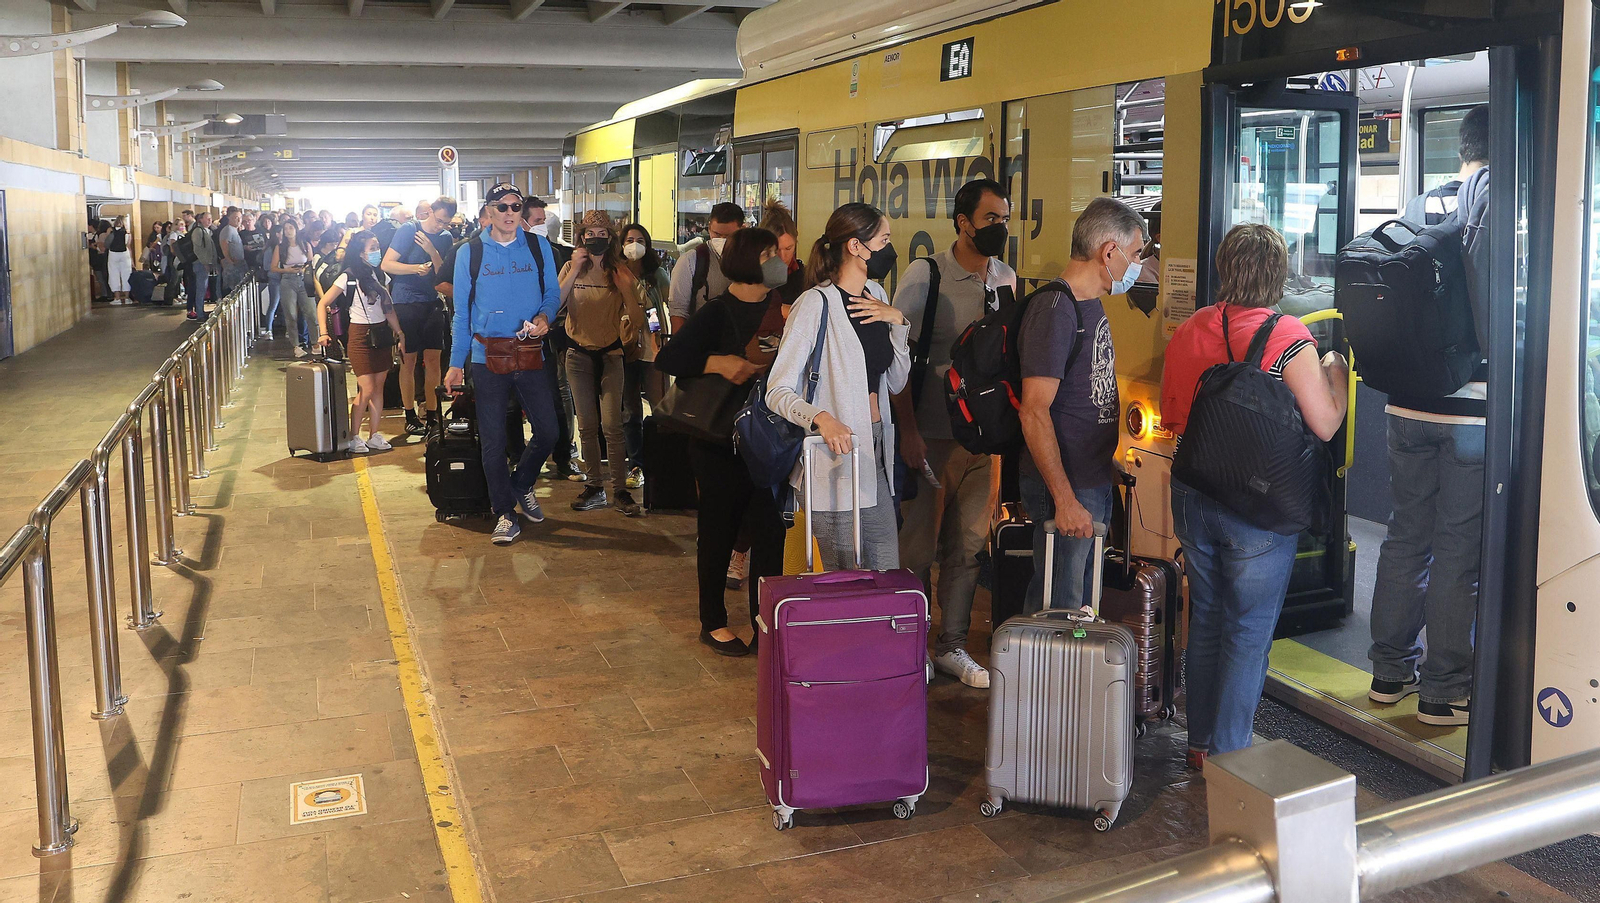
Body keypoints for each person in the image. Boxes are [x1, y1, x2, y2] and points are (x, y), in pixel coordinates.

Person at [1161, 224, 1347, 764]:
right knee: (1248, 631)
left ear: (1225, 267)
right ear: (1279, 275)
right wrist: (1333, 370)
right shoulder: (1289, 336)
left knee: (1209, 619)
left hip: (1193, 493)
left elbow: (1175, 416)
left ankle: (1198, 745)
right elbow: (1326, 423)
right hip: (1257, 507)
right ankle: (1230, 758)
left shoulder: (1192, 326)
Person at [1367, 105, 1490, 727]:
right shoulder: (1498, 204)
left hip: (1405, 405)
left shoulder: (1420, 205)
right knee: (1456, 549)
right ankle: (1444, 690)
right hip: (1470, 411)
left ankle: (1389, 673)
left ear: (1461, 146)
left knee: (1405, 537)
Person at [891, 178, 1018, 688]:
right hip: (931, 436)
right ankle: (911, 646)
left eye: (1004, 218)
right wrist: (908, 432)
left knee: (967, 549)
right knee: (917, 549)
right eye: (991, 219)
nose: (1000, 228)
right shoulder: (926, 277)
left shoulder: (1006, 279)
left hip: (982, 443)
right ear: (963, 223)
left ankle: (953, 647)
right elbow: (900, 362)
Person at [656, 228, 790, 656]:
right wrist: (718, 362)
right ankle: (712, 621)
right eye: (772, 253)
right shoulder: (717, 311)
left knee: (770, 533)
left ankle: (763, 622)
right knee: (718, 530)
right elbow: (669, 357)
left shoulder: (786, 308)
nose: (781, 261)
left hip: (769, 439)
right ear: (752, 260)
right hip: (719, 441)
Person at [1017, 197, 1147, 613]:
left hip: (1090, 479)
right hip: (1069, 488)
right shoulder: (1056, 309)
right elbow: (1033, 411)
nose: (1137, 266)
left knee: (1081, 604)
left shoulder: (1089, 304)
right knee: (1061, 605)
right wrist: (1065, 499)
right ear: (1109, 252)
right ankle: (1042, 679)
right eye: (1136, 254)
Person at [767, 202, 911, 570]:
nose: (889, 249)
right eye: (884, 239)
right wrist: (821, 419)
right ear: (855, 246)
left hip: (875, 452)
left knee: (884, 571)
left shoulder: (877, 295)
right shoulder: (815, 305)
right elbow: (778, 390)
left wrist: (898, 324)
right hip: (833, 462)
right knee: (844, 579)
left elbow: (894, 381)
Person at [443, 183, 563, 546]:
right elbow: (461, 312)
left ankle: (522, 482)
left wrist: (545, 316)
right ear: (489, 212)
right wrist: (455, 364)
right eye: (503, 207)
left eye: (516, 206)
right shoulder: (471, 253)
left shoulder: (538, 246)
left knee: (549, 431)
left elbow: (552, 293)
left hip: (530, 354)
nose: (510, 213)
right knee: (493, 442)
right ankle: (504, 513)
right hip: (486, 357)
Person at [558, 210, 646, 517]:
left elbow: (637, 322)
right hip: (578, 354)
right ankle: (595, 486)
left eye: (602, 234)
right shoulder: (571, 267)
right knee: (587, 425)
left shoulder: (620, 271)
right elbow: (554, 303)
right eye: (589, 234)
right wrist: (575, 268)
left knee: (612, 424)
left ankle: (620, 490)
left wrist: (626, 290)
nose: (595, 239)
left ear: (610, 239)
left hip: (611, 354)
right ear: (581, 237)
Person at [317, 230, 405, 454]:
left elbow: (388, 309)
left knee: (378, 388)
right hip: (359, 335)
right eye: (372, 248)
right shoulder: (348, 276)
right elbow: (323, 303)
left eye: (377, 246)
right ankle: (354, 435)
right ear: (360, 252)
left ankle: (374, 434)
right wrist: (323, 332)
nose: (377, 251)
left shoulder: (379, 276)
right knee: (365, 388)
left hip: (382, 334)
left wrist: (399, 333)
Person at [383, 195, 455, 436]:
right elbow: (387, 264)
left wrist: (432, 250)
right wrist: (415, 268)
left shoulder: (444, 238)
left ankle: (433, 414)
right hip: (406, 301)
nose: (441, 226)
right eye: (439, 220)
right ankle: (410, 414)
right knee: (409, 359)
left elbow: (443, 273)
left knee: (434, 358)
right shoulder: (409, 230)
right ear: (430, 212)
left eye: (446, 223)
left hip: (432, 301)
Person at [520, 198, 579, 481]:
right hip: (513, 340)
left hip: (548, 337)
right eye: (537, 220)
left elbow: (556, 295)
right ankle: (516, 457)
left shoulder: (557, 253)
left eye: (544, 220)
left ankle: (563, 455)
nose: (543, 225)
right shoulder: (507, 255)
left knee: (556, 395)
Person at [620, 223, 671, 487]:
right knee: (630, 411)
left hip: (651, 350)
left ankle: (663, 462)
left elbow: (659, 308)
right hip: (624, 348)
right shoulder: (616, 273)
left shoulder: (656, 275)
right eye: (629, 239)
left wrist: (655, 332)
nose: (634, 244)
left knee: (659, 405)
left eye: (640, 240)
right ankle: (636, 464)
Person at [669, 202, 744, 331]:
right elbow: (678, 312)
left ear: (742, 230)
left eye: (728, 236)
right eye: (716, 234)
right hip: (701, 343)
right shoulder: (690, 261)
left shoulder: (751, 260)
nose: (721, 240)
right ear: (709, 229)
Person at [271, 219, 316, 358]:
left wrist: (304, 269)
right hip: (288, 280)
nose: (288, 231)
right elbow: (273, 267)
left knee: (311, 312)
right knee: (291, 314)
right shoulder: (280, 247)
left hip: (304, 280)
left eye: (291, 228)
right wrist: (287, 270)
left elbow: (311, 263)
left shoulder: (305, 245)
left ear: (296, 229)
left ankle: (315, 343)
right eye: (286, 229)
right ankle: (296, 345)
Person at [757, 200, 807, 312]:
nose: (783, 257)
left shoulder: (805, 276)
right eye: (777, 250)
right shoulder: (750, 275)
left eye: (789, 248)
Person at [187, 211, 220, 320]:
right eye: (207, 218)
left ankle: (201, 311)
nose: (210, 220)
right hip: (200, 263)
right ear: (200, 220)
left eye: (211, 218)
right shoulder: (198, 231)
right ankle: (199, 313)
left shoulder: (208, 231)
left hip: (206, 263)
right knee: (201, 288)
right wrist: (205, 262)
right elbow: (198, 249)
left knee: (203, 288)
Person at [105, 215, 133, 305]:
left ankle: (117, 299)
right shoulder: (127, 232)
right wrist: (132, 260)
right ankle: (127, 298)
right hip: (125, 254)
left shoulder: (110, 230)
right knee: (126, 275)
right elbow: (128, 246)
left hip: (113, 254)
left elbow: (107, 242)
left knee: (113, 275)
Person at [219, 207, 247, 297]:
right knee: (232, 291)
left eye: (240, 217)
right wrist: (230, 261)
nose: (239, 220)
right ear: (229, 218)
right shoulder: (228, 230)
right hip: (232, 267)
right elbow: (224, 246)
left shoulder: (234, 230)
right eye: (236, 217)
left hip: (238, 265)